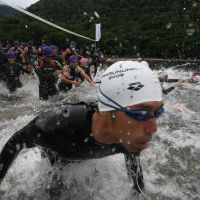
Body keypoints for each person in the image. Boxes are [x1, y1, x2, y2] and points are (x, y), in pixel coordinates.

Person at [0, 60, 164, 194]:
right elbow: (16, 141)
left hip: (84, 155)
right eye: (142, 112)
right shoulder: (55, 126)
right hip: (58, 158)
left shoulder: (129, 138)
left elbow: (137, 186)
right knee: (56, 191)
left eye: (157, 112)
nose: (153, 128)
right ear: (107, 112)